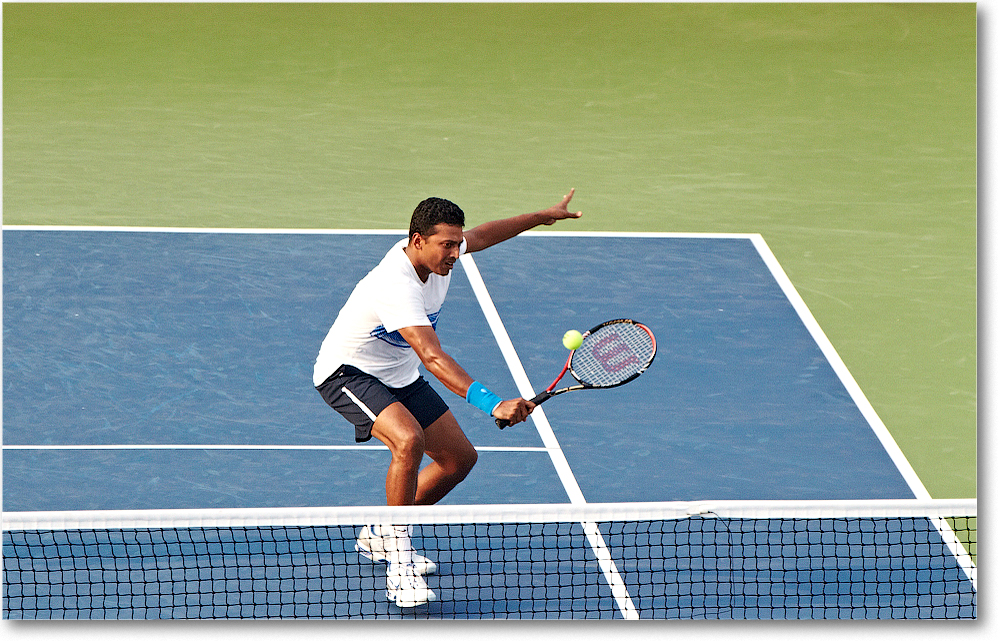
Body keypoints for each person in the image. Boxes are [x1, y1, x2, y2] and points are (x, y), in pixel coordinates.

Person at [313, 190, 582, 606]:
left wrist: (541, 217)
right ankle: (399, 565)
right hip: (348, 373)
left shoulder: (441, 254)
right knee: (408, 440)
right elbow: (433, 356)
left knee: (459, 460)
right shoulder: (395, 283)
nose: (456, 253)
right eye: (447, 245)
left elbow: (486, 235)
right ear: (417, 240)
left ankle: (381, 534)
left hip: (398, 374)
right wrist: (493, 404)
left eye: (458, 244)